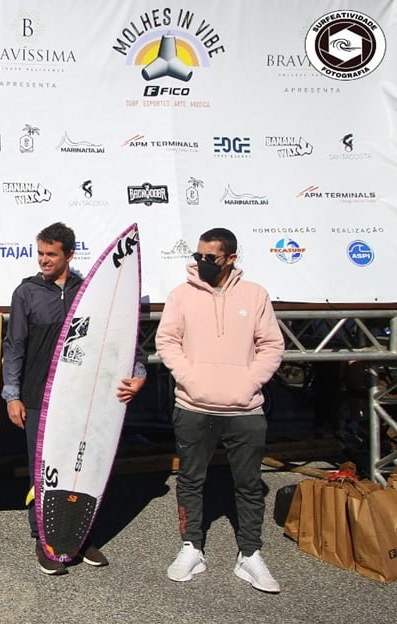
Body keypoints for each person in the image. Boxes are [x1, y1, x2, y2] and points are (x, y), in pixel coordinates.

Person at [1, 222, 146, 575]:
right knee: (43, 471)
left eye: (51, 254)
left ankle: (80, 536)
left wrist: (139, 373)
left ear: (69, 254)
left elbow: (124, 338)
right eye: (40, 253)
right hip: (38, 399)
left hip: (85, 399)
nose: (43, 260)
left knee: (83, 468)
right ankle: (44, 539)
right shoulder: (27, 293)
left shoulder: (91, 292)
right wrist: (12, 395)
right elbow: (14, 346)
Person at [155, 227, 284, 593]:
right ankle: (191, 547)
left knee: (249, 484)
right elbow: (167, 340)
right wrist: (190, 378)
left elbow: (271, 345)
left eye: (210, 257)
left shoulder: (255, 295)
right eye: (198, 256)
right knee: (190, 480)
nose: (202, 262)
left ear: (230, 258)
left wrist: (249, 383)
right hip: (193, 406)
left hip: (245, 410)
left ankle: (250, 554)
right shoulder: (181, 295)